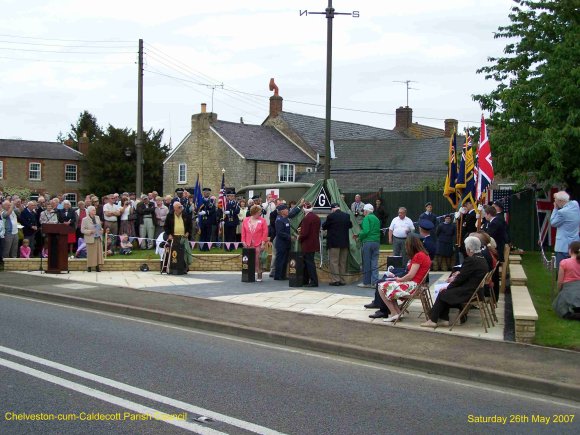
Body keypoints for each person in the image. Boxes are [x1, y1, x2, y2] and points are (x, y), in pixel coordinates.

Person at [421, 236, 489, 328]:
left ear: (469, 249)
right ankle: (444, 319)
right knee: (446, 292)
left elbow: (461, 279)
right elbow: (467, 274)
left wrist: (448, 286)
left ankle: (433, 320)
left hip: (469, 291)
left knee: (443, 292)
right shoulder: (481, 258)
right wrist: (458, 275)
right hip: (476, 290)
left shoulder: (471, 260)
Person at [377, 236, 432, 322]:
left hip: (413, 286)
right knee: (389, 286)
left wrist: (399, 279)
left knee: (381, 287)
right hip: (417, 284)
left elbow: (410, 275)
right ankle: (397, 312)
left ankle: (394, 313)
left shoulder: (418, 256)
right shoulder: (425, 254)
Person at [322, 203, 353, 286]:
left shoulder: (331, 216)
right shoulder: (346, 216)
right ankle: (342, 280)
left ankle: (336, 280)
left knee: (334, 262)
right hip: (344, 243)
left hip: (334, 242)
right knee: (342, 262)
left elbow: (324, 226)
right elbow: (350, 225)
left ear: (332, 209)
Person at [550, 191, 580, 269]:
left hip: (563, 247)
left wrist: (555, 208)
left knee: (561, 270)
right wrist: (557, 195)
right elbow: (565, 198)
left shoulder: (562, 212)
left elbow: (553, 223)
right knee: (574, 270)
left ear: (560, 201)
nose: (555, 201)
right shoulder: (575, 205)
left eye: (555, 200)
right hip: (575, 244)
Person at [355, 204, 381, 288]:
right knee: (374, 262)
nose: (363, 212)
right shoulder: (376, 218)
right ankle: (375, 282)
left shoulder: (366, 218)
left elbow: (366, 231)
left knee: (366, 263)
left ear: (366, 211)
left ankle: (366, 282)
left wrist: (359, 236)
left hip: (368, 242)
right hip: (376, 242)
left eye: (363, 211)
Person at [553, 241, 580, 320]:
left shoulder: (564, 262)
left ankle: (572, 314)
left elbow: (560, 281)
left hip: (569, 290)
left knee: (560, 305)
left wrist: (559, 291)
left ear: (570, 250)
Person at [241, 204, 269, 282]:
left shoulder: (263, 220)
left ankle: (259, 274)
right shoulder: (246, 220)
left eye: (260, 212)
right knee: (248, 259)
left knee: (257, 259)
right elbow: (243, 232)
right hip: (248, 243)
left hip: (258, 243)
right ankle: (249, 274)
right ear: (254, 212)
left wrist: (263, 243)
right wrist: (243, 241)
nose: (260, 213)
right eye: (258, 212)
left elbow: (265, 232)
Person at [163, 202, 192, 275]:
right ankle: (172, 269)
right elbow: (166, 226)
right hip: (174, 237)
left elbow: (190, 225)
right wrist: (169, 234)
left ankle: (184, 269)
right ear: (174, 208)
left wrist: (188, 232)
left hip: (183, 237)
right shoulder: (170, 215)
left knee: (184, 253)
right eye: (179, 207)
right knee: (174, 254)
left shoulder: (185, 215)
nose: (180, 208)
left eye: (181, 207)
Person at [299, 201, 321, 287]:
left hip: (307, 244)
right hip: (314, 242)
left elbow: (305, 233)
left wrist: (299, 237)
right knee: (309, 262)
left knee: (309, 263)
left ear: (304, 209)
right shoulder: (316, 217)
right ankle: (306, 280)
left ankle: (313, 281)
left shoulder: (306, 218)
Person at [81, 205, 104, 272]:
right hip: (90, 238)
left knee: (98, 253)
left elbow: (99, 227)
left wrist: (101, 230)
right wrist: (90, 231)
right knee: (91, 253)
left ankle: (97, 267)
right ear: (90, 211)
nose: (95, 211)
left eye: (95, 209)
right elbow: (82, 230)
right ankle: (89, 267)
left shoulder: (97, 217)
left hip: (98, 237)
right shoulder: (84, 219)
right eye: (93, 210)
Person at [274, 204, 292, 281]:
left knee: (285, 260)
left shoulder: (286, 219)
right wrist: (290, 237)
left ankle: (283, 275)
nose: (288, 210)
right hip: (281, 243)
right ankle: (278, 276)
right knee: (280, 260)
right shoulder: (279, 220)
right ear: (282, 211)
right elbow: (280, 233)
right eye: (286, 209)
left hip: (286, 243)